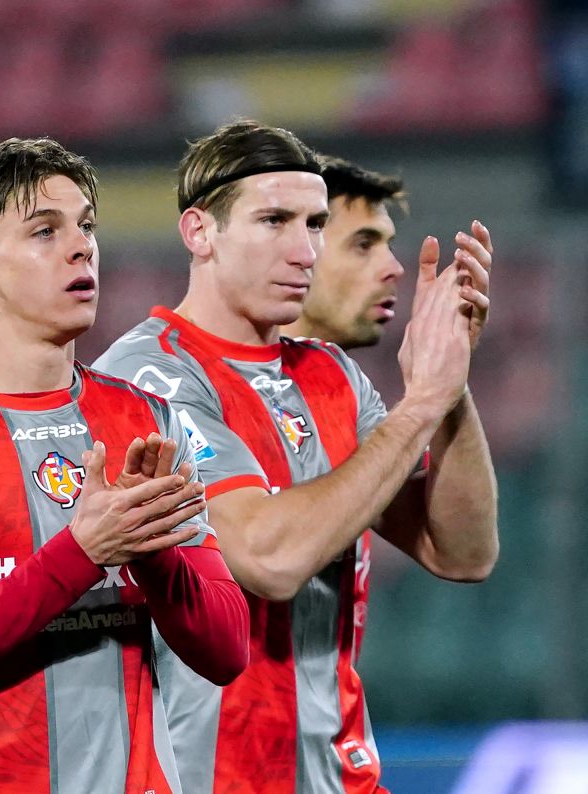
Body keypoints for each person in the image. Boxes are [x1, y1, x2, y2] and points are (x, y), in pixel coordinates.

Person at [94, 120, 498, 793]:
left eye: (313, 224)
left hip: (337, 774)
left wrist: (450, 387)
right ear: (200, 232)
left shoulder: (332, 377)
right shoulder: (146, 378)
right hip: (199, 778)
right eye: (274, 220)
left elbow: (461, 551)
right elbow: (267, 559)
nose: (303, 249)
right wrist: (419, 405)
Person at [0, 138, 250, 794]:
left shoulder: (147, 419)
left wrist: (149, 553)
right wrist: (84, 552)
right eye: (44, 231)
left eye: (86, 226)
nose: (82, 246)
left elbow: (227, 649)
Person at [283, 156, 407, 349]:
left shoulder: (349, 378)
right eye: (363, 245)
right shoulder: (223, 377)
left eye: (389, 247)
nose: (395, 269)